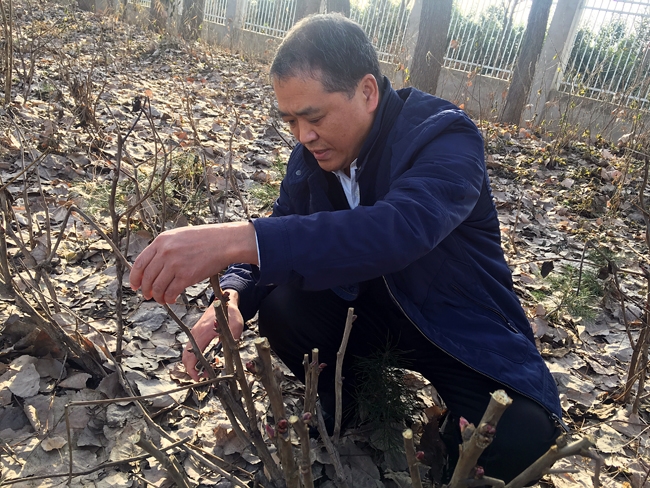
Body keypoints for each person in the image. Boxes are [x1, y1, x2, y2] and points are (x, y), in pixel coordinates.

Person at [130, 13, 563, 482]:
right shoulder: (311, 158)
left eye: (314, 117)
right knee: (283, 309)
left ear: (368, 91)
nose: (303, 136)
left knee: (520, 436)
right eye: (291, 121)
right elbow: (285, 224)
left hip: (453, 323)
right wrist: (233, 295)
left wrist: (234, 238)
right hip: (366, 317)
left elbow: (398, 229)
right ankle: (351, 403)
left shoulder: (443, 136)